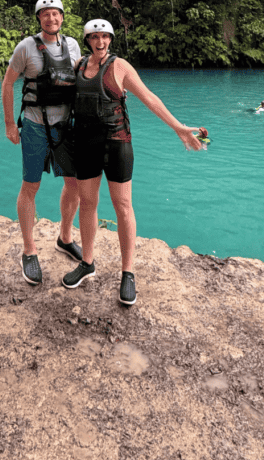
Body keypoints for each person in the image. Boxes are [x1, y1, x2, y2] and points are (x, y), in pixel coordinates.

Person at [61, 18, 202, 306]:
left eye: (105, 37)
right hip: (86, 144)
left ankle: (128, 272)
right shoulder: (79, 67)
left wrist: (179, 128)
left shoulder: (119, 66)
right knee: (87, 203)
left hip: (117, 144)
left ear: (111, 39)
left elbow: (149, 97)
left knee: (123, 206)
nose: (100, 42)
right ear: (87, 40)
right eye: (95, 37)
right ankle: (87, 262)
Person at [2, 0, 83, 286]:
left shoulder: (72, 45)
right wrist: (11, 124)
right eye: (45, 14)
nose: (51, 19)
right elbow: (8, 83)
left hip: (65, 127)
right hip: (35, 126)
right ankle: (29, 249)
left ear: (62, 18)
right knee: (31, 186)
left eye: (56, 14)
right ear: (39, 19)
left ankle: (65, 237)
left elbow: (82, 78)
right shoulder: (26, 47)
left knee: (73, 184)